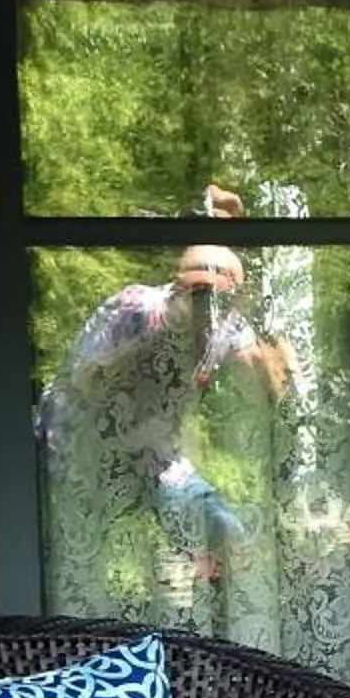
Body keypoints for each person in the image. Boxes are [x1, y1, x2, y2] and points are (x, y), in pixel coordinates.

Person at [36, 187, 295, 633]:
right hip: (77, 444)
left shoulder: (230, 328)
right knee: (76, 562)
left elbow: (268, 385)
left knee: (226, 532)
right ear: (177, 287)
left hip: (158, 457)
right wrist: (151, 353)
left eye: (215, 298)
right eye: (194, 295)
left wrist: (275, 340)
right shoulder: (136, 309)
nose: (203, 310)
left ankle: (225, 631)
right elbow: (83, 381)